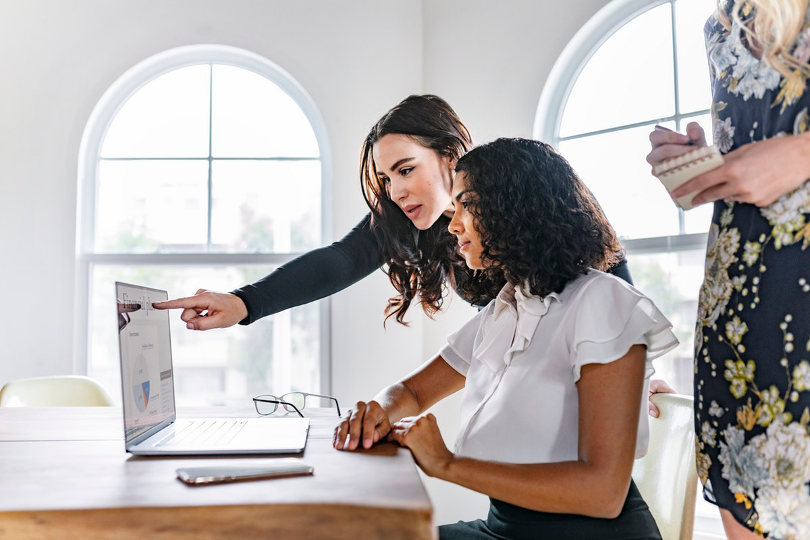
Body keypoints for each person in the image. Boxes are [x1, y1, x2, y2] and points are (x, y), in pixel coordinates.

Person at [153, 94, 671, 415]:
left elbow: (601, 268)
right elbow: (340, 260)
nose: (396, 191)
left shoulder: (515, 189)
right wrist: (243, 303)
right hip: (524, 391)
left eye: (405, 169)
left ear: (450, 156)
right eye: (385, 178)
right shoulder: (411, 221)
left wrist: (630, 369)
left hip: (576, 381)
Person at [334, 138, 678, 539]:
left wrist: (445, 463)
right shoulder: (511, 305)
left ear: (516, 207)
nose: (453, 223)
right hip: (504, 529)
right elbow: (411, 390)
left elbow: (602, 492)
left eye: (467, 204)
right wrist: (378, 411)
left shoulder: (602, 300)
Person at [646, 1, 810, 537]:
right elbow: (756, 138)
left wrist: (800, 155)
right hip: (740, 306)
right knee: (746, 502)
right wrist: (700, 162)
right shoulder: (720, 23)